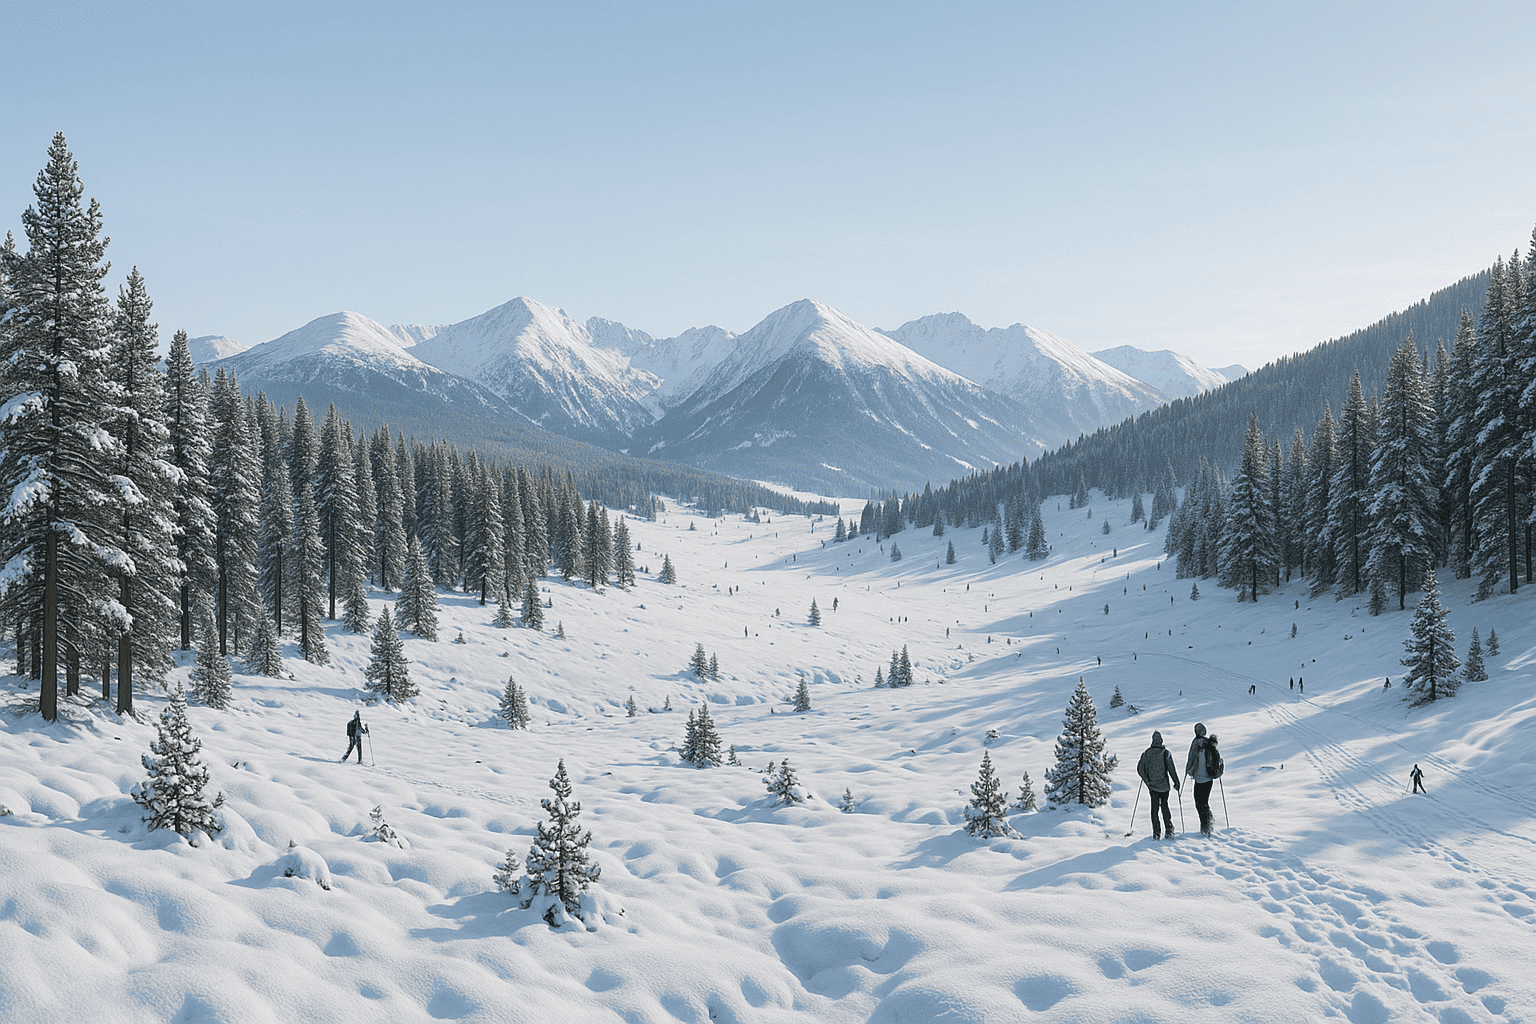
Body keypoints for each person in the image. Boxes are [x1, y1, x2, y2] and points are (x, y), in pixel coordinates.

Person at [1136, 730, 1181, 839]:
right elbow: (1171, 769)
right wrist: (1176, 782)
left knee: (1154, 809)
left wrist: (1147, 781)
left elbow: (1140, 769)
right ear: (1161, 741)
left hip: (1152, 787)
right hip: (1164, 786)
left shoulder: (1147, 753)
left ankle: (1156, 832)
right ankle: (1169, 830)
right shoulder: (1166, 753)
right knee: (1165, 806)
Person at [1185, 723, 1224, 836]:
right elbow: (1217, 758)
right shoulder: (1210, 744)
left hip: (1199, 779)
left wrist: (1188, 771)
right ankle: (1208, 823)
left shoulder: (1196, 743)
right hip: (1209, 778)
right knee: (1204, 802)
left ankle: (1205, 826)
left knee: (1199, 803)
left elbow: (1191, 759)